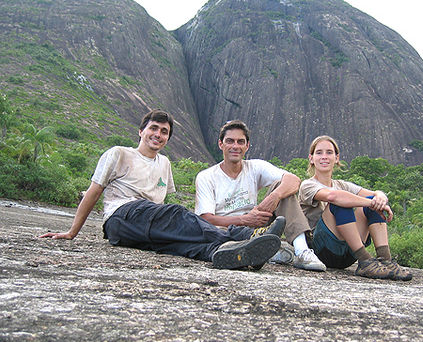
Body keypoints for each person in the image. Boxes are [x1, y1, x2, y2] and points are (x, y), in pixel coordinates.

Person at [39, 110, 285, 270]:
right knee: (177, 214)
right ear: (141, 131)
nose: (158, 134)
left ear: (168, 138)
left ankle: (227, 254)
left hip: (144, 224)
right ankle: (243, 237)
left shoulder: (164, 163)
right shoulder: (119, 153)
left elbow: (159, 206)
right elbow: (94, 191)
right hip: (121, 217)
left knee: (181, 244)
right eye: (154, 128)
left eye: (164, 132)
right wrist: (72, 232)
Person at [195, 120, 326, 272]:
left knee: (283, 188)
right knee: (226, 245)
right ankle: (268, 250)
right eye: (230, 141)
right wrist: (243, 219)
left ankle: (302, 251)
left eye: (240, 142)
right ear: (221, 144)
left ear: (247, 146)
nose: (235, 146)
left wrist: (274, 197)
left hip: (257, 226)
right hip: (224, 231)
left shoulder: (255, 167)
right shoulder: (207, 176)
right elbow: (205, 219)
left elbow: (293, 180)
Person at [298, 135, 412, 280]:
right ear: (311, 158)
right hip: (323, 251)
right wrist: (372, 203)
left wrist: (381, 197)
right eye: (319, 153)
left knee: (368, 200)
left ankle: (386, 260)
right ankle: (364, 260)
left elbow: (375, 194)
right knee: (341, 200)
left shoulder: (342, 185)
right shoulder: (307, 185)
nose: (324, 157)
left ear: (337, 158)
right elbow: (334, 197)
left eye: (329, 152)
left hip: (348, 254)